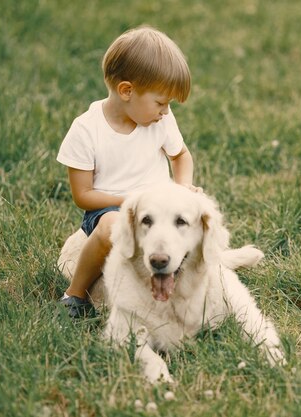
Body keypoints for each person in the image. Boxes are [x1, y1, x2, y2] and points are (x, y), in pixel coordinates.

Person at [56, 26, 197, 318]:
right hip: (110, 208)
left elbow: (181, 156)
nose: (166, 112)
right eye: (161, 102)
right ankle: (76, 294)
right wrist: (129, 202)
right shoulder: (86, 130)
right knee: (111, 227)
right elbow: (83, 196)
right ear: (127, 91)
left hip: (159, 207)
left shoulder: (160, 122)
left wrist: (182, 188)